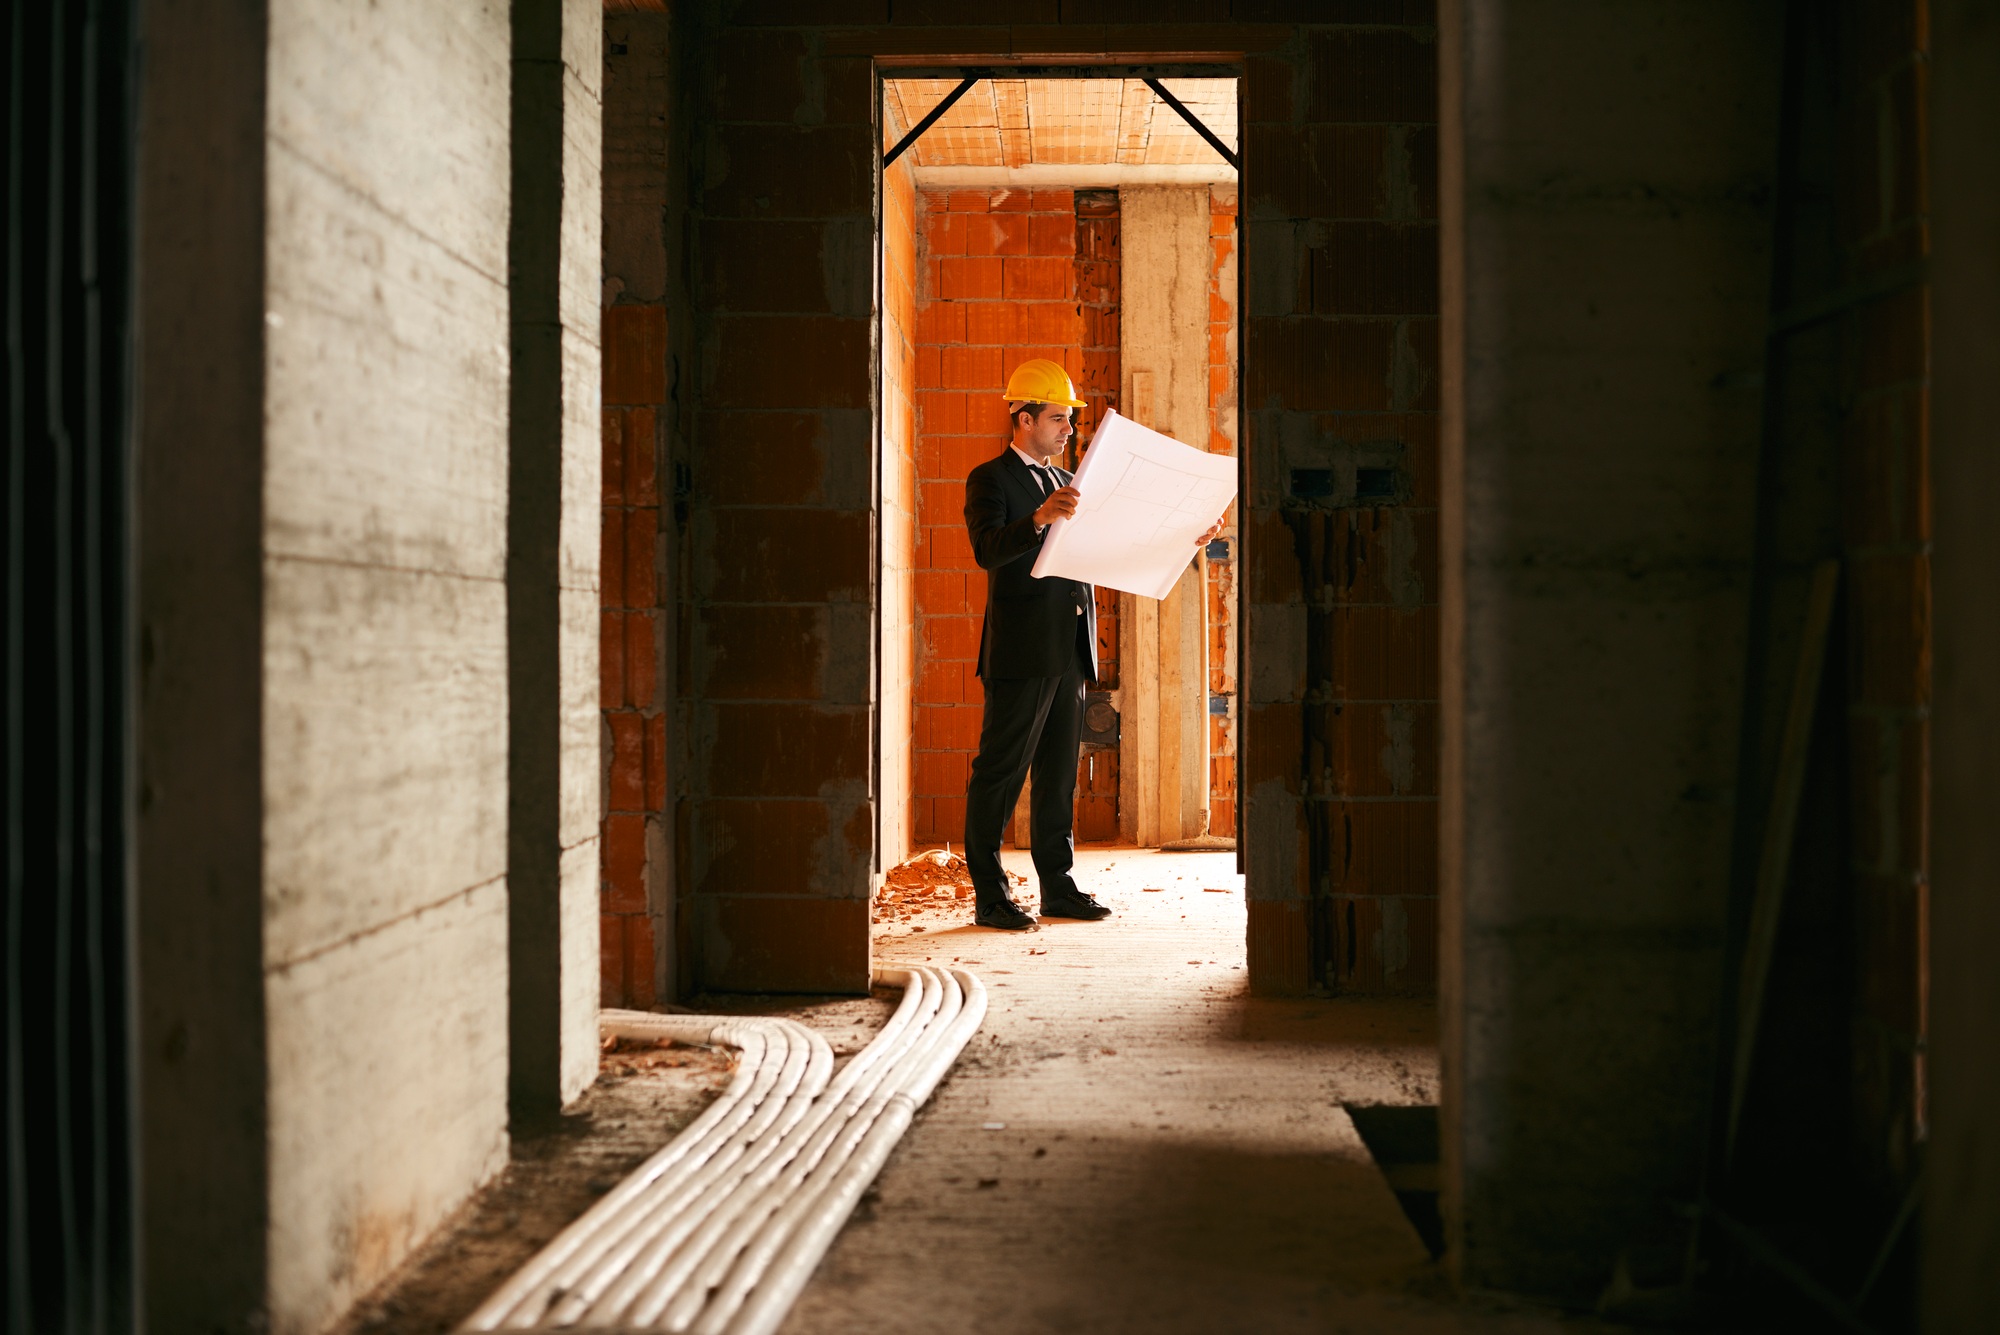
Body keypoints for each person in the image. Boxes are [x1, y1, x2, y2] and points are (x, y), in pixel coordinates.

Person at [961, 359, 1223, 930]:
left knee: (1058, 774)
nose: (1068, 430)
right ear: (1024, 418)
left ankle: (1058, 886)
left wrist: (1186, 532)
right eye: (1058, 418)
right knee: (1001, 772)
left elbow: (1117, 539)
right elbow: (986, 550)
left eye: (1071, 420)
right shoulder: (991, 479)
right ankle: (990, 895)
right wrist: (1036, 520)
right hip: (1022, 651)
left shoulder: (1065, 481)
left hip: (1069, 649)